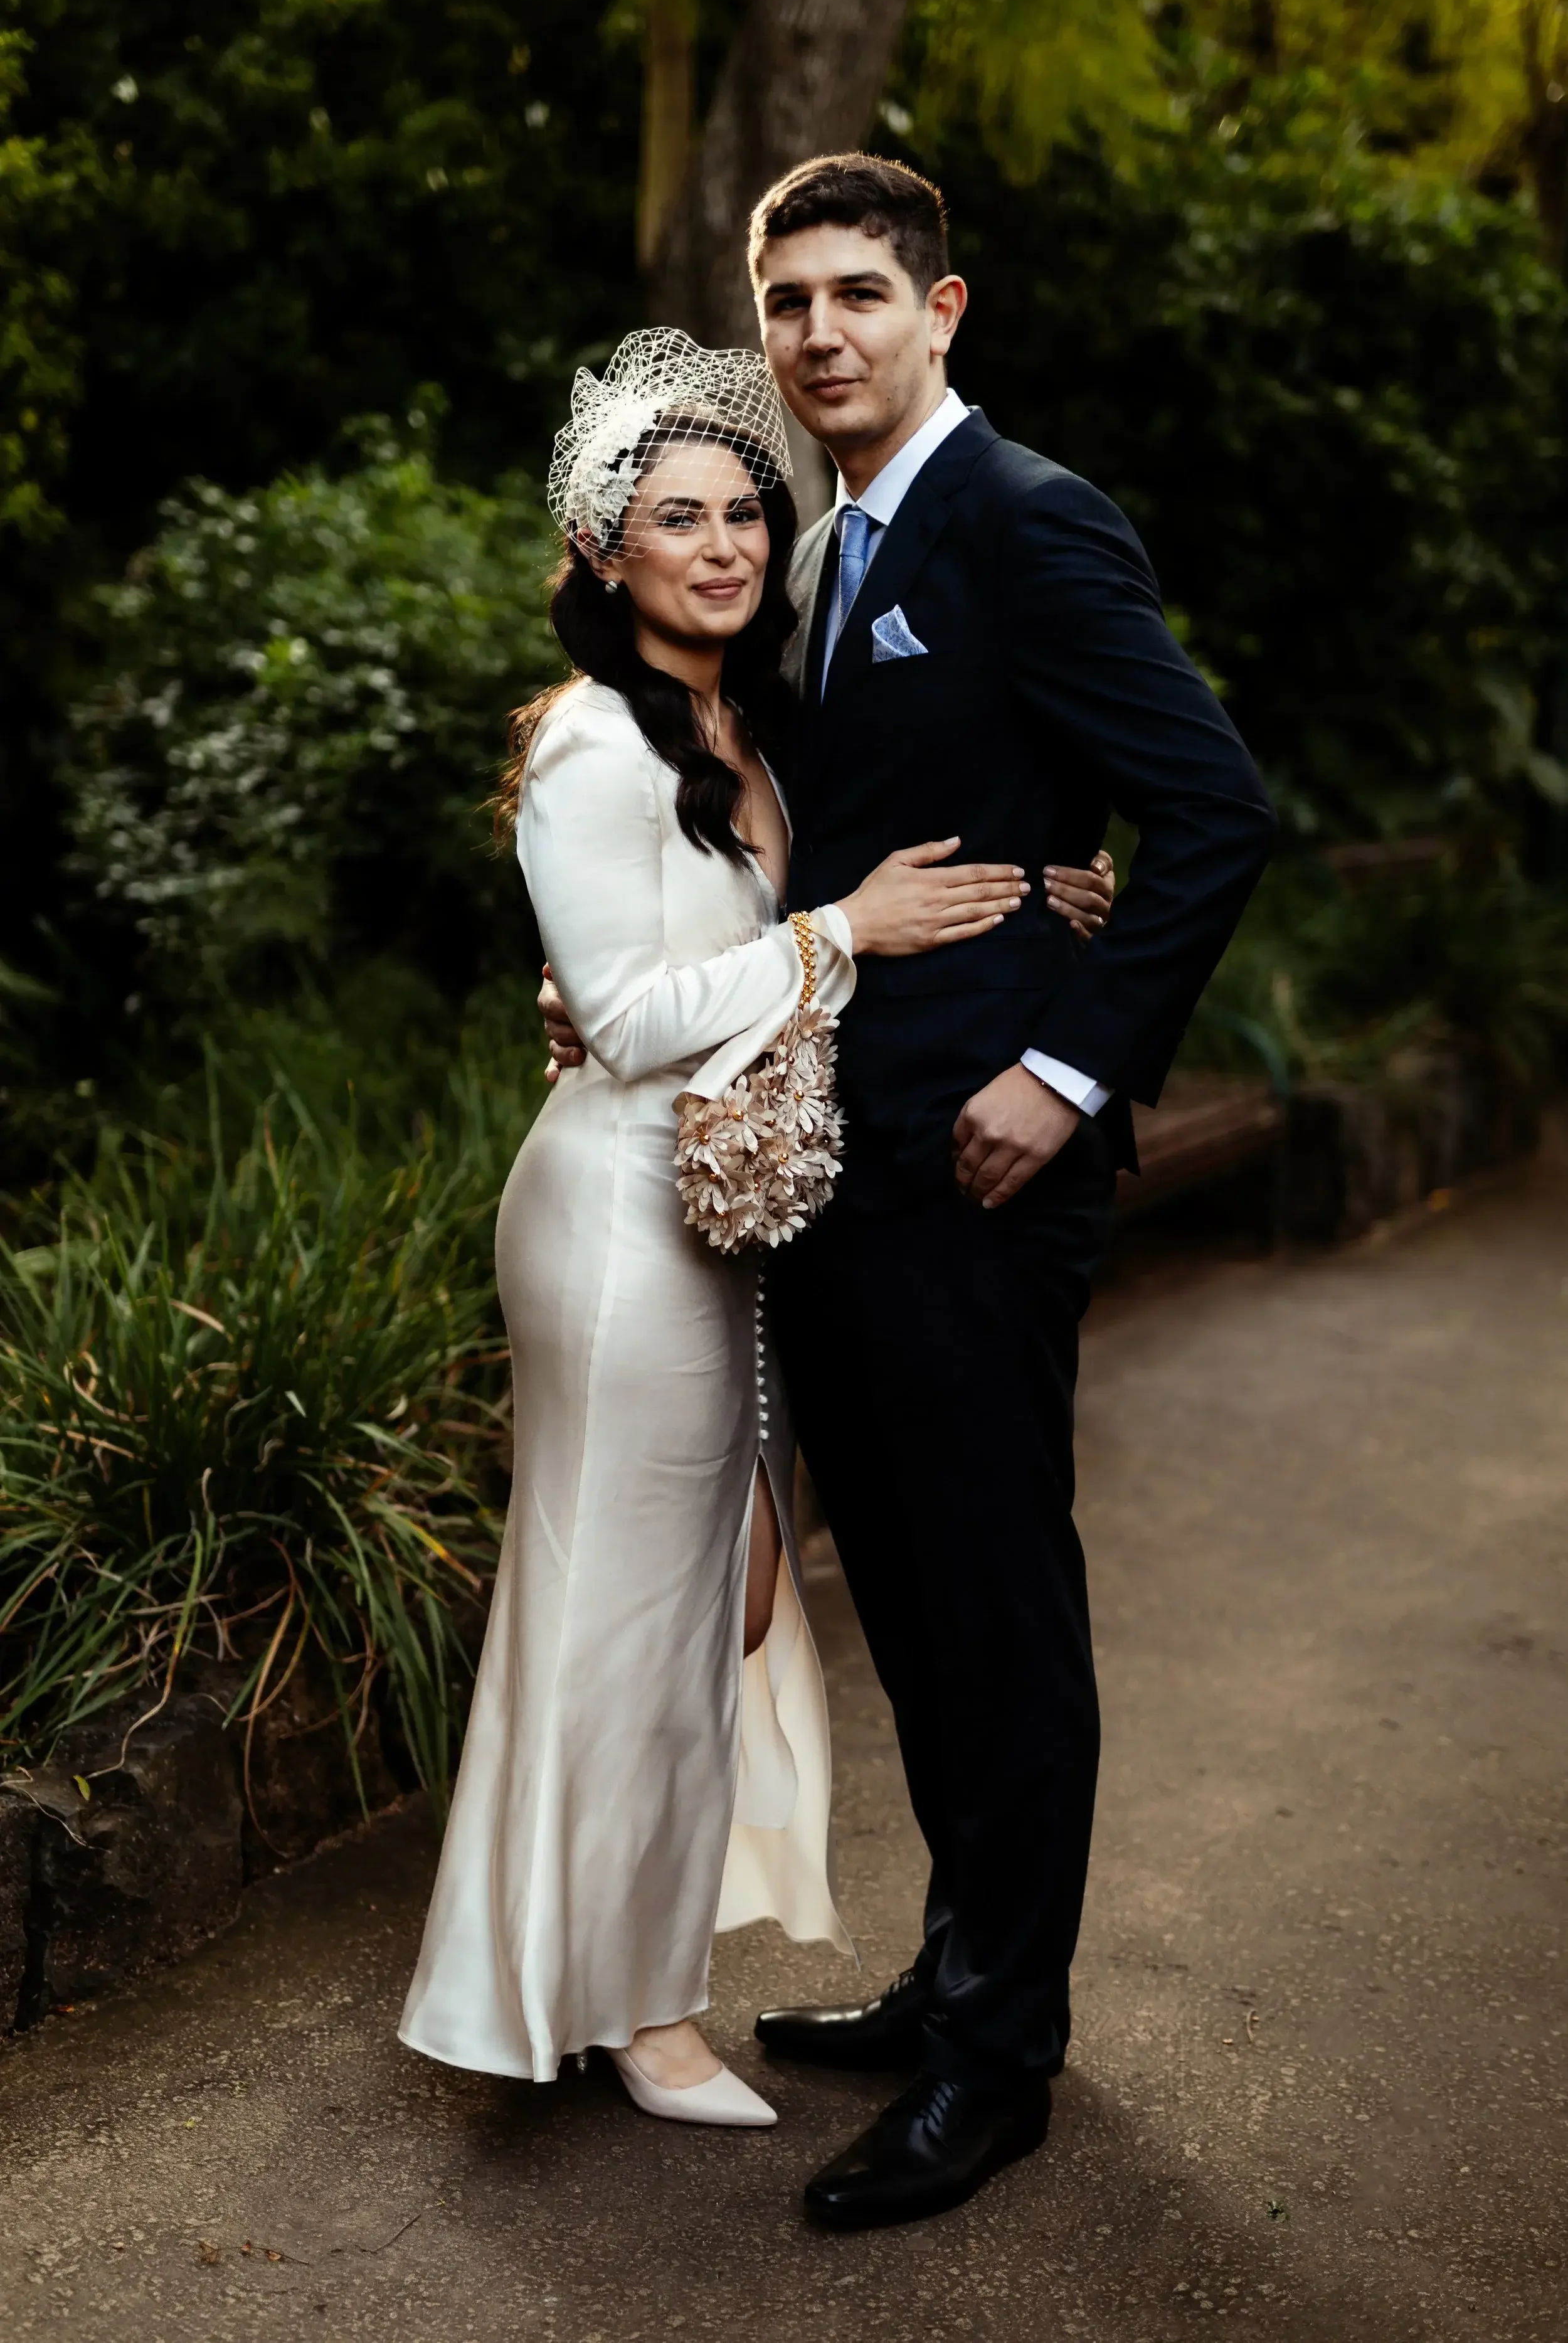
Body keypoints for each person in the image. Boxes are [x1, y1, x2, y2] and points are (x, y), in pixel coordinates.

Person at [541, 154, 1276, 2225]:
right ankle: (959, 1969)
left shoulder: (1028, 520)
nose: (819, 334)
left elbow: (1213, 806)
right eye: (786, 303)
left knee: (995, 1607)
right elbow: (821, 822)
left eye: (860, 293)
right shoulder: (811, 553)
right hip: (844, 1165)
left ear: (942, 312)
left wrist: (1068, 1058)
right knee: (926, 1628)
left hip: (979, 1160)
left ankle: (1000, 2062)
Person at [397, 334, 1059, 2128]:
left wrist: (1035, 889)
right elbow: (622, 1016)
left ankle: (583, 1967)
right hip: (617, 1219)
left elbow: (721, 965)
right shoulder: (590, 742)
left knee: (710, 1602)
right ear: (606, 552)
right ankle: (632, 2009)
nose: (720, 542)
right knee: (625, 1610)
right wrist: (840, 931)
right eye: (674, 517)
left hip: (719, 1211)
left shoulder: (732, 728)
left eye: (741, 512)